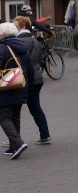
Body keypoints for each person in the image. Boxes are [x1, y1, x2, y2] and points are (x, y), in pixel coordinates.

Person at [14, 16, 50, 145]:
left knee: (14, 109)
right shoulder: (36, 41)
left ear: (22, 26)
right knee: (35, 107)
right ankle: (45, 134)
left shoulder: (18, 41)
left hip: (24, 79)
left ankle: (14, 138)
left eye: (15, 25)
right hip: (37, 77)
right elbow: (41, 60)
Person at [0, 21, 32, 159]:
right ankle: (14, 147)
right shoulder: (22, 46)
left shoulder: (2, 48)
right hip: (20, 85)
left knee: (4, 116)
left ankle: (18, 143)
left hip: (5, 87)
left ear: (2, 34)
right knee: (15, 115)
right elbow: (30, 68)